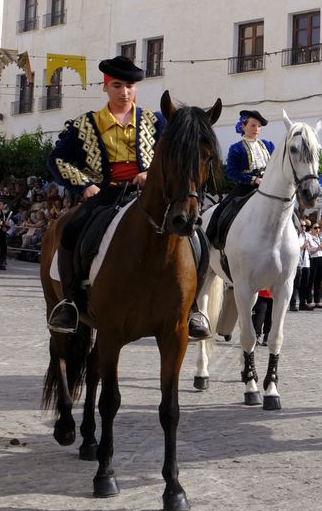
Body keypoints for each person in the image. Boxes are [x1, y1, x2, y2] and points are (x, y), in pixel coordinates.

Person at [46, 55, 208, 339]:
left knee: (197, 238)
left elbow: (176, 154)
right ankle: (70, 302)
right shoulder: (85, 124)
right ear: (106, 87)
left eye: (129, 86)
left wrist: (150, 172)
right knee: (70, 231)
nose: (124, 92)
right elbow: (58, 160)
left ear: (136, 89)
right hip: (104, 193)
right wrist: (84, 185)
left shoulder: (154, 121)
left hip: (147, 194)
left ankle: (191, 306)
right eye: (117, 85)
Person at [224, 109, 274, 195]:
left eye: (259, 126)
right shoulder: (236, 148)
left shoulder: (268, 145)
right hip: (246, 189)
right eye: (253, 125)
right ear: (244, 126)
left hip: (269, 185)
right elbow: (231, 172)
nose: (256, 129)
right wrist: (253, 179)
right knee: (224, 207)